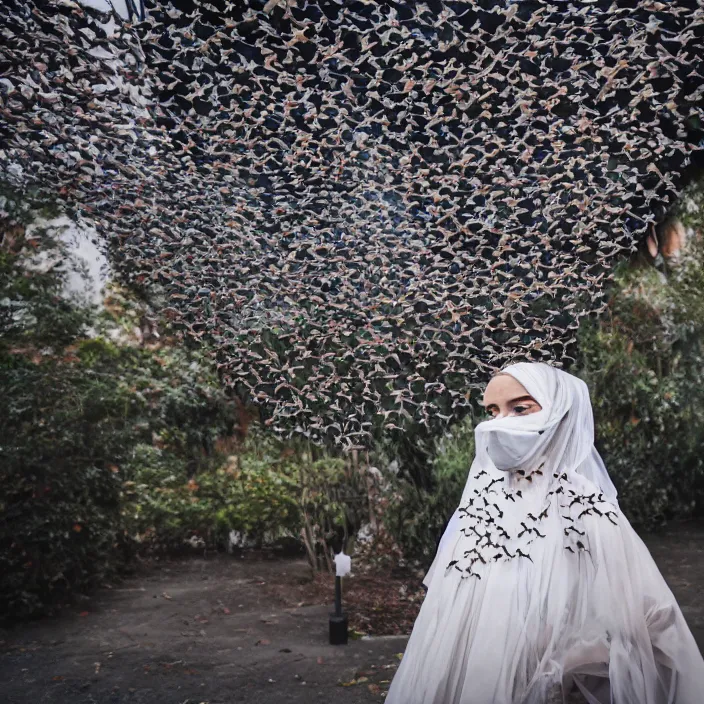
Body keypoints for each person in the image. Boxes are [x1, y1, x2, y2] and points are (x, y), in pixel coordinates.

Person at [385, 362, 704, 704]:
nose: (499, 424)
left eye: (520, 409)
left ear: (560, 413)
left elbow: (645, 620)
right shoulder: (480, 504)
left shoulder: (586, 507)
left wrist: (569, 662)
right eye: (492, 411)